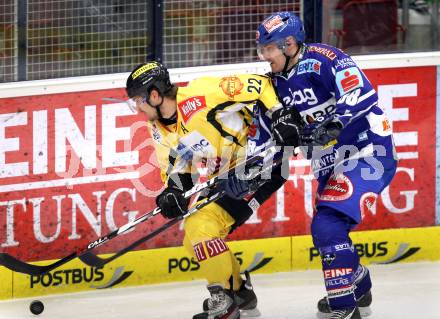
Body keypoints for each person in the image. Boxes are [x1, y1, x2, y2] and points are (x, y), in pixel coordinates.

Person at [255, 12, 397, 319]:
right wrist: (252, 164)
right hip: (330, 164)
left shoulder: (323, 58)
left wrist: (335, 121)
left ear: (289, 43)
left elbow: (361, 91)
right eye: (262, 49)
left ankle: (344, 309)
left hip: (366, 149)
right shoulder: (272, 86)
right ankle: (357, 283)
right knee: (325, 233)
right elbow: (265, 137)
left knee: (326, 225)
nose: (264, 56)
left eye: (268, 49)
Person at [125, 61, 289, 319]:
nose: (137, 107)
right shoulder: (157, 126)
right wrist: (173, 192)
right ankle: (239, 293)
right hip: (224, 176)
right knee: (192, 241)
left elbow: (260, 84)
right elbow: (178, 167)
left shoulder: (201, 94)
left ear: (154, 95)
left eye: (138, 100)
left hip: (260, 164)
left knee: (201, 227)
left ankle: (224, 301)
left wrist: (280, 114)